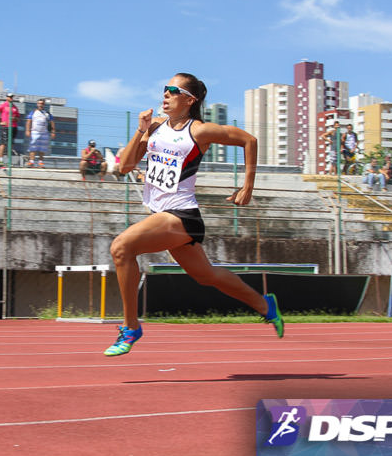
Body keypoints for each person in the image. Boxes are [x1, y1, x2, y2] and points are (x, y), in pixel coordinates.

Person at [103, 72, 284, 357]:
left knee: (121, 247)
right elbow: (125, 167)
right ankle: (265, 305)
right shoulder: (155, 127)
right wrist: (141, 130)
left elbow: (249, 140)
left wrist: (247, 187)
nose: (165, 94)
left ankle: (130, 326)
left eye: (172, 90)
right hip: (162, 213)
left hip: (181, 214)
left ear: (189, 100)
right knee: (206, 275)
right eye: (165, 88)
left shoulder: (199, 131)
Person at [25, 98, 54, 168]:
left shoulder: (47, 113)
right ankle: (31, 162)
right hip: (35, 132)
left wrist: (53, 131)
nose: (40, 105)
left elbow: (52, 122)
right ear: (37, 104)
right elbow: (29, 121)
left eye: (42, 103)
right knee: (33, 147)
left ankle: (40, 162)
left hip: (44, 132)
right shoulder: (33, 112)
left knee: (42, 148)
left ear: (44, 104)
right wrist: (27, 130)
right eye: (39, 103)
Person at [0, 93, 20, 164]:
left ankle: (8, 161)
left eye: (12, 97)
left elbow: (18, 118)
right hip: (6, 127)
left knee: (10, 144)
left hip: (13, 127)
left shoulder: (15, 107)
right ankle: (0, 161)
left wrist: (15, 118)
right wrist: (0, 122)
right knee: (3, 144)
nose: (10, 98)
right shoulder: (3, 105)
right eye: (9, 97)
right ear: (7, 97)